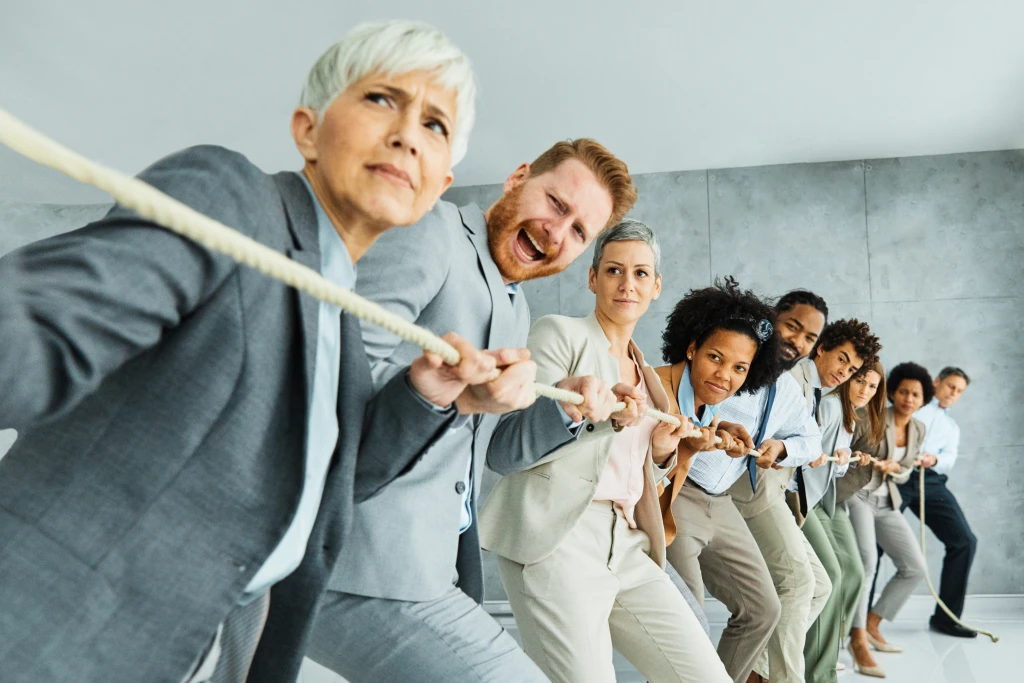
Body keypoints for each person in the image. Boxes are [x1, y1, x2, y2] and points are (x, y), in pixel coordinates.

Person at [0, 20, 512, 683]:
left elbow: (326, 487)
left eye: (435, 126)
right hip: (56, 639)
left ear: (439, 186)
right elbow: (46, 322)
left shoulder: (339, 316)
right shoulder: (232, 199)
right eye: (382, 98)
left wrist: (435, 393)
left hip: (210, 652)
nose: (407, 133)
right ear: (308, 129)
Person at [302, 137, 640, 682]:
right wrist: (441, 392)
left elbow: (496, 450)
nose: (558, 231)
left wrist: (572, 411)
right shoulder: (432, 231)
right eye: (556, 203)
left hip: (439, 567)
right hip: (358, 564)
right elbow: (327, 385)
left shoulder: (515, 304)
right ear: (518, 177)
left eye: (580, 231)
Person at [481, 221, 732, 683]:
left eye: (640, 273)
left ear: (656, 286)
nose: (627, 283)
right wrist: (590, 415)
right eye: (614, 270)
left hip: (628, 541)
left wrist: (659, 456)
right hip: (561, 540)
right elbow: (506, 449)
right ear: (593, 278)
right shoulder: (559, 335)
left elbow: (626, 478)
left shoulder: (651, 381)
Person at [656, 279, 811, 683]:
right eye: (716, 358)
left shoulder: (719, 402)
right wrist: (691, 444)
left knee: (765, 610)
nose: (725, 375)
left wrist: (723, 430)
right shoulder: (658, 389)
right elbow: (653, 453)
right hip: (675, 498)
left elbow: (807, 439)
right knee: (688, 625)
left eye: (740, 368)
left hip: (719, 501)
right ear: (692, 348)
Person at [735, 317, 879, 683]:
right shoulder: (795, 380)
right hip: (764, 492)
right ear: (823, 349)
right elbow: (778, 435)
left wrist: (813, 450)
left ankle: (761, 672)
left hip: (791, 496)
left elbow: (808, 445)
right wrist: (799, 448)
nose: (845, 372)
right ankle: (786, 674)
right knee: (807, 583)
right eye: (842, 360)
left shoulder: (823, 395)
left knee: (821, 584)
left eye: (854, 369)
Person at [837, 361, 930, 677]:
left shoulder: (919, 429)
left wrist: (897, 469)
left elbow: (906, 473)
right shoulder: (874, 414)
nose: (908, 398)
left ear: (923, 398)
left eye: (915, 394)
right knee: (867, 564)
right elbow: (849, 452)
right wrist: (873, 462)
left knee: (915, 567)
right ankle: (855, 638)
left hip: (887, 500)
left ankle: (872, 623)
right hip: (859, 494)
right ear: (892, 393)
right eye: (903, 391)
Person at [799, 356, 886, 683]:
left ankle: (827, 650)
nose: (864, 389)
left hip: (827, 498)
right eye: (859, 380)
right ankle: (818, 671)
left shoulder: (851, 415)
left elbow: (832, 469)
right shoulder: (833, 406)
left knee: (854, 571)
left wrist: (846, 460)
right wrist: (826, 459)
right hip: (806, 498)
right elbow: (805, 457)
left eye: (872, 385)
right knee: (833, 575)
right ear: (848, 378)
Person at [896, 366, 978, 638]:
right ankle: (856, 625)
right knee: (875, 544)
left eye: (959, 392)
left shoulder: (951, 427)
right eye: (951, 387)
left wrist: (934, 460)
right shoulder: (914, 404)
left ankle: (947, 618)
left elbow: (949, 459)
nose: (954, 394)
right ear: (937, 381)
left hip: (930, 482)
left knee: (965, 541)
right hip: (898, 475)